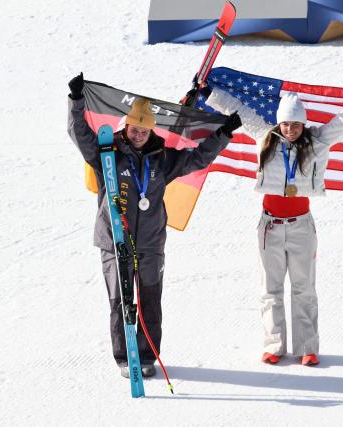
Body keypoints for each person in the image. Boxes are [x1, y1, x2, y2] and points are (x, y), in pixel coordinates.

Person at [67, 73, 241, 378]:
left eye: (144, 131)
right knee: (120, 301)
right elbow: (80, 134)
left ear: (151, 131)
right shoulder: (107, 154)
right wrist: (76, 100)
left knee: (149, 300)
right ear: (127, 127)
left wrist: (223, 134)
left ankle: (146, 356)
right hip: (114, 240)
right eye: (134, 129)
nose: (138, 135)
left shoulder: (163, 160)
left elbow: (198, 158)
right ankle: (125, 358)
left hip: (149, 243)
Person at [204, 82, 343, 365]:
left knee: (303, 287)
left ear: (303, 123)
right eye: (286, 124)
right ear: (280, 123)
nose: (291, 129)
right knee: (271, 287)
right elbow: (239, 109)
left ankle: (307, 347)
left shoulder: (318, 141)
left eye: (296, 124)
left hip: (301, 225)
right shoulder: (265, 136)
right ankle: (274, 345)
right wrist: (209, 94)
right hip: (270, 227)